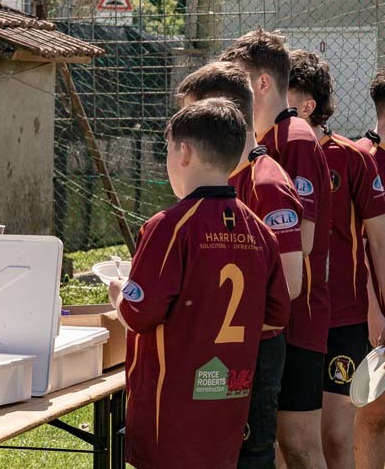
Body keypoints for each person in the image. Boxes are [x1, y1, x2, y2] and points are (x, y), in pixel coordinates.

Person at [109, 98, 290, 469]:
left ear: (184, 152)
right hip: (227, 405)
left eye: (167, 150)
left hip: (170, 416)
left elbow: (139, 314)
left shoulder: (169, 227)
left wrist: (118, 293)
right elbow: (276, 316)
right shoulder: (261, 232)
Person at [176, 61, 303, 469]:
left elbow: (291, 282)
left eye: (192, 118)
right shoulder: (219, 180)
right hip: (214, 349)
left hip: (252, 353)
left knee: (250, 457)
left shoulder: (266, 183)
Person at [220, 29, 332, 469]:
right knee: (280, 447)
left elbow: (303, 238)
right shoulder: (263, 140)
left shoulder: (295, 136)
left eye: (238, 80)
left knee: (301, 446)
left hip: (299, 315)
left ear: (262, 83)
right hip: (270, 319)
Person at [288, 50, 385, 469]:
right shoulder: (267, 157)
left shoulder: (352, 158)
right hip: (288, 318)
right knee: (288, 439)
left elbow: (377, 242)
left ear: (307, 105)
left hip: (342, 319)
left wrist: (381, 307)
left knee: (337, 435)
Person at [355, 68, 385, 469]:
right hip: (373, 311)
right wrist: (373, 309)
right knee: (373, 410)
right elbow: (359, 247)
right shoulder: (362, 159)